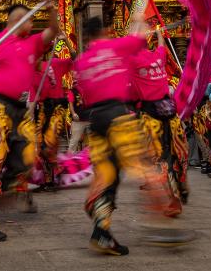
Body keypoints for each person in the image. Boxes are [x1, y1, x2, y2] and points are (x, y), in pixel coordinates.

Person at [74, 16, 173, 255]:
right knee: (145, 164)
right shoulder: (114, 46)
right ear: (106, 30)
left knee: (108, 176)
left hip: (95, 120)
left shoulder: (82, 61)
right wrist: (141, 24)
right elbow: (139, 38)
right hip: (118, 116)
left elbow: (83, 94)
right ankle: (159, 224)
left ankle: (101, 232)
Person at [0, 0, 59, 242]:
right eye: (30, 20)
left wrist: (51, 8)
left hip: (21, 109)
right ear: (19, 19)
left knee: (29, 158)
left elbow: (53, 29)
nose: (33, 25)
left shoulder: (32, 43)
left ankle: (7, 183)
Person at [133, 28, 189, 214]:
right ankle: (182, 185)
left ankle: (173, 200)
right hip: (170, 114)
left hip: (152, 119)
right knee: (175, 153)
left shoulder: (132, 62)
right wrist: (158, 33)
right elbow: (163, 45)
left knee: (159, 159)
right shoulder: (158, 55)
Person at [37, 33, 76, 190]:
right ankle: (48, 180)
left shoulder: (56, 63)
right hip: (42, 108)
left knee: (49, 143)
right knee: (40, 147)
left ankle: (57, 171)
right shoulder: (35, 67)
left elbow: (74, 57)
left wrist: (65, 40)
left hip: (58, 107)